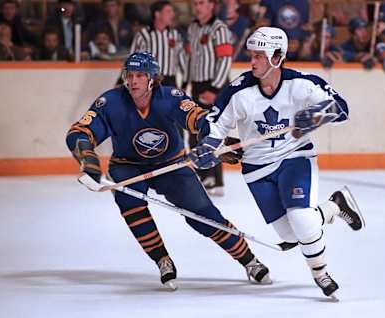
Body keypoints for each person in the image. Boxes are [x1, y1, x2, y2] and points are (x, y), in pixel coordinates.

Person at [65, 52, 271, 291]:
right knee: (131, 206)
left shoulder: (170, 97)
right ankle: (162, 259)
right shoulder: (110, 102)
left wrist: (215, 142)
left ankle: (249, 260)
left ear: (152, 78)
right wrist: (87, 157)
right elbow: (80, 132)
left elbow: (199, 119)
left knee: (203, 216)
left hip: (171, 164)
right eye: (129, 75)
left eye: (140, 76)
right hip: (127, 166)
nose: (133, 81)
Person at [189, 27, 365, 298]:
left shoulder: (303, 83)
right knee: (291, 235)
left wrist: (317, 115)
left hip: (295, 157)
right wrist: (209, 147)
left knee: (302, 220)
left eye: (260, 55)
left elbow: (341, 108)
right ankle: (335, 205)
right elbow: (215, 124)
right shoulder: (239, 90)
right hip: (257, 168)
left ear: (278, 56)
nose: (253, 61)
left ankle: (321, 274)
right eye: (252, 55)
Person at [186, 0, 233, 196]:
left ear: (212, 5)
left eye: (202, 3)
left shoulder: (219, 28)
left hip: (214, 84)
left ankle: (212, 177)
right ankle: (208, 176)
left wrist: (215, 89)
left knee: (211, 130)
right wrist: (187, 83)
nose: (198, 7)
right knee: (195, 129)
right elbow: (191, 59)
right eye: (195, 3)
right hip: (198, 84)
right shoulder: (192, 28)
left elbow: (225, 59)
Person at [129, 1, 187, 87]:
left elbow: (182, 60)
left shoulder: (175, 35)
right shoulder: (144, 35)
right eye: (168, 11)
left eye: (172, 11)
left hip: (170, 82)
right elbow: (132, 60)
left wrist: (185, 83)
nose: (172, 14)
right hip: (150, 82)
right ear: (157, 14)